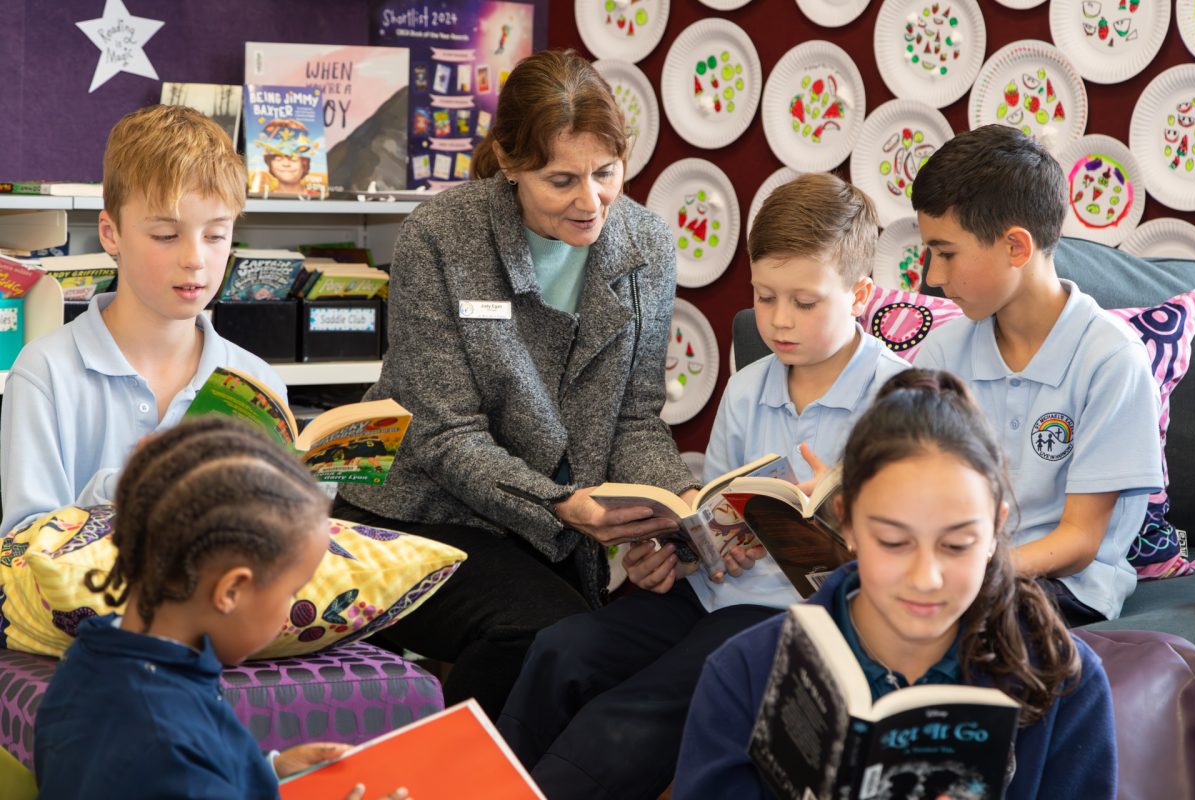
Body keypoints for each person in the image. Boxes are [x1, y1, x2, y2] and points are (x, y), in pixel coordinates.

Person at [496, 173, 909, 799]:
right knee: (564, 648)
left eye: (804, 302)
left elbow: (904, 553)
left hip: (794, 613)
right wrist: (690, 545)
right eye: (764, 297)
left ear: (859, 295)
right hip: (715, 592)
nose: (778, 321)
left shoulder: (900, 399)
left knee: (638, 708)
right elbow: (720, 507)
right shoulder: (749, 385)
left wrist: (841, 519)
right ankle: (482, 780)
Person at [332, 49, 700, 719]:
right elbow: (445, 434)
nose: (591, 202)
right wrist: (561, 504)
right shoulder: (441, 237)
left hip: (546, 531)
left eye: (606, 173)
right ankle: (432, 777)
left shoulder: (648, 244)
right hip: (417, 514)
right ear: (509, 163)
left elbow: (636, 419)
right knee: (543, 637)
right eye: (561, 180)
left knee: (582, 651)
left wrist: (673, 513)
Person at [673, 370, 1117, 799]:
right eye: (893, 541)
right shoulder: (745, 674)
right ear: (844, 521)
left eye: (957, 544)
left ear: (996, 527)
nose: (926, 578)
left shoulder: (1061, 678)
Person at [34, 418, 407, 800]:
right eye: (292, 591)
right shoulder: (163, 739)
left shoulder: (102, 655)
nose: (291, 609)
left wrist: (270, 771)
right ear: (231, 590)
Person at [910, 124, 1161, 624]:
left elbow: (1079, 541)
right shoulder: (941, 351)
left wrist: (971, 572)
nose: (933, 278)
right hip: (956, 572)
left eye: (946, 253)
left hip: (1063, 588)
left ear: (1016, 248)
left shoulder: (1112, 361)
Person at [0, 104, 287, 537]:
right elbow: (23, 550)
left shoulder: (257, 383)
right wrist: (138, 487)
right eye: (166, 236)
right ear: (110, 233)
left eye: (215, 235)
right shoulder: (45, 372)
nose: (195, 259)